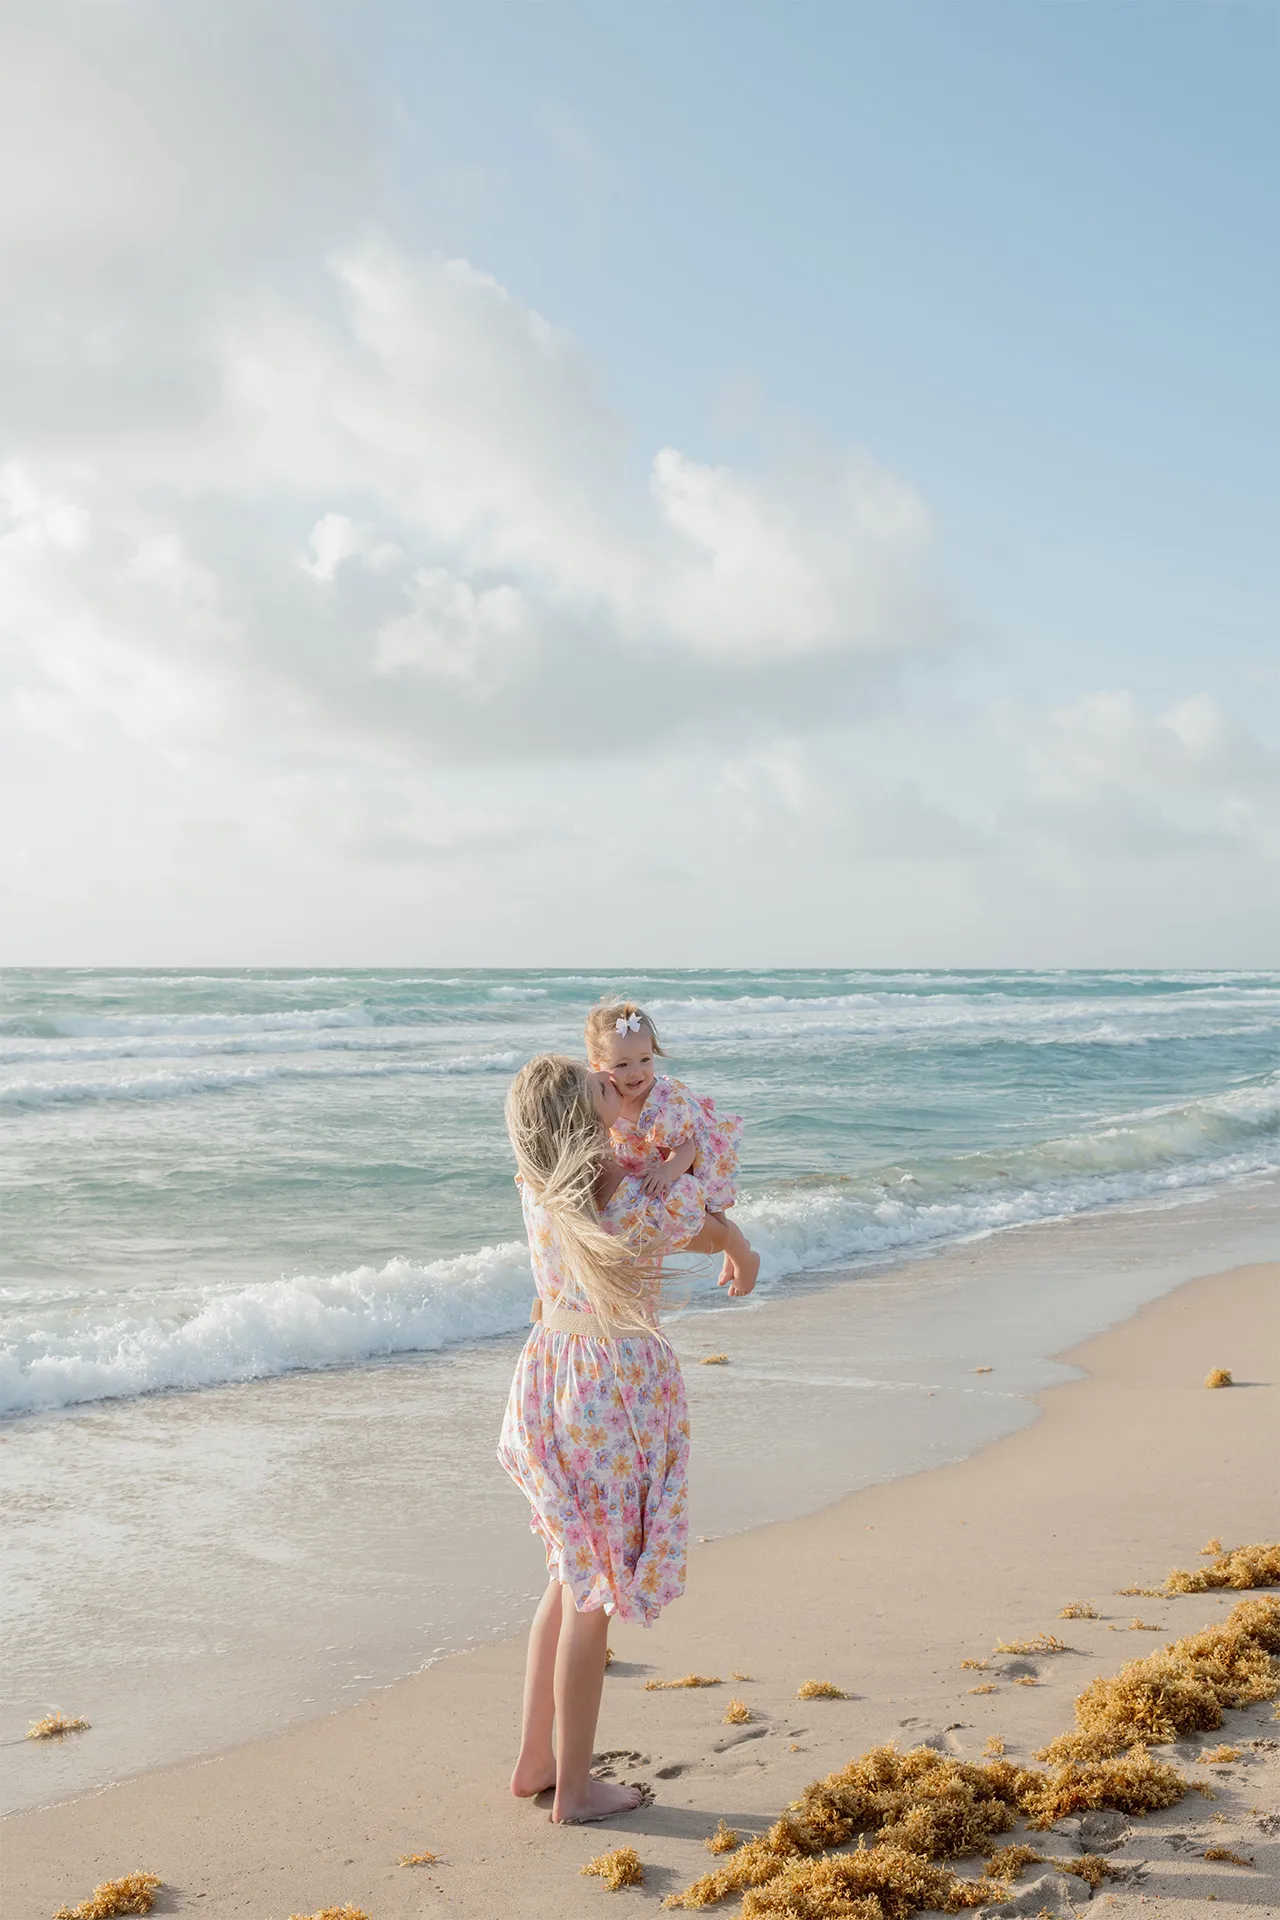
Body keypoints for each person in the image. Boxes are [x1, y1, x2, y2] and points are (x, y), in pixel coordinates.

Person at [497, 1053, 752, 1824]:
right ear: (584, 1118)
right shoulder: (635, 1204)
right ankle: (574, 1791)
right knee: (593, 1597)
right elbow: (707, 1232)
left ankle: (535, 1758)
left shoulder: (541, 1191)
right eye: (603, 1086)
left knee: (567, 1575)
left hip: (550, 1375)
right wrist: (741, 1244)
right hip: (615, 1388)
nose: (620, 1085)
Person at [585, 998, 761, 1295]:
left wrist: (668, 1172)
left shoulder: (663, 1102)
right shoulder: (604, 1098)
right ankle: (733, 1253)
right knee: (695, 1225)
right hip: (650, 1164)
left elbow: (687, 1149)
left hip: (688, 1156)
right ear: (597, 1067)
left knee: (711, 1215)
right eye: (622, 1064)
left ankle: (744, 1257)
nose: (636, 1073)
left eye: (645, 1060)